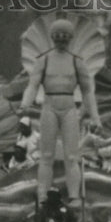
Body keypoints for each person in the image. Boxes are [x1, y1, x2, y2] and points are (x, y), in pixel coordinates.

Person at [17, 19, 101, 207]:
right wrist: (25, 104)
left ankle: (74, 196)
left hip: (69, 108)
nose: (61, 40)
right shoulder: (44, 60)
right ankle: (43, 195)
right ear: (52, 37)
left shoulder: (76, 62)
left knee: (72, 156)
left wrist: (95, 117)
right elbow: (32, 85)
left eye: (65, 37)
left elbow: (88, 91)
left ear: (70, 38)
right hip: (49, 107)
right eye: (58, 36)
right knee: (46, 155)